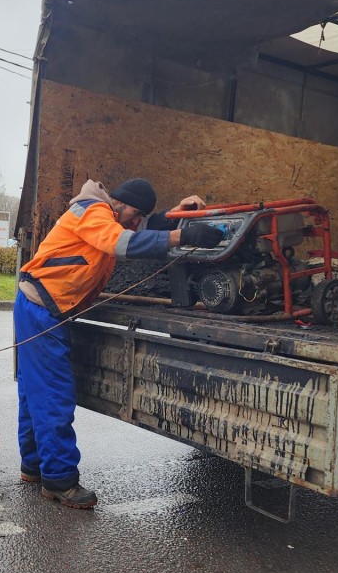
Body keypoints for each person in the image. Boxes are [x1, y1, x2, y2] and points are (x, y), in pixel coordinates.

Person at [14, 177, 223, 509]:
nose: (137, 222)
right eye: (136, 214)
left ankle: (34, 466)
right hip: (42, 311)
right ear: (118, 204)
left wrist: (173, 215)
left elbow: (135, 228)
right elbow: (123, 242)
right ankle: (59, 481)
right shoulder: (94, 211)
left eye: (142, 217)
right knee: (53, 394)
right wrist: (181, 235)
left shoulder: (104, 213)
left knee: (33, 390)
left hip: (38, 306)